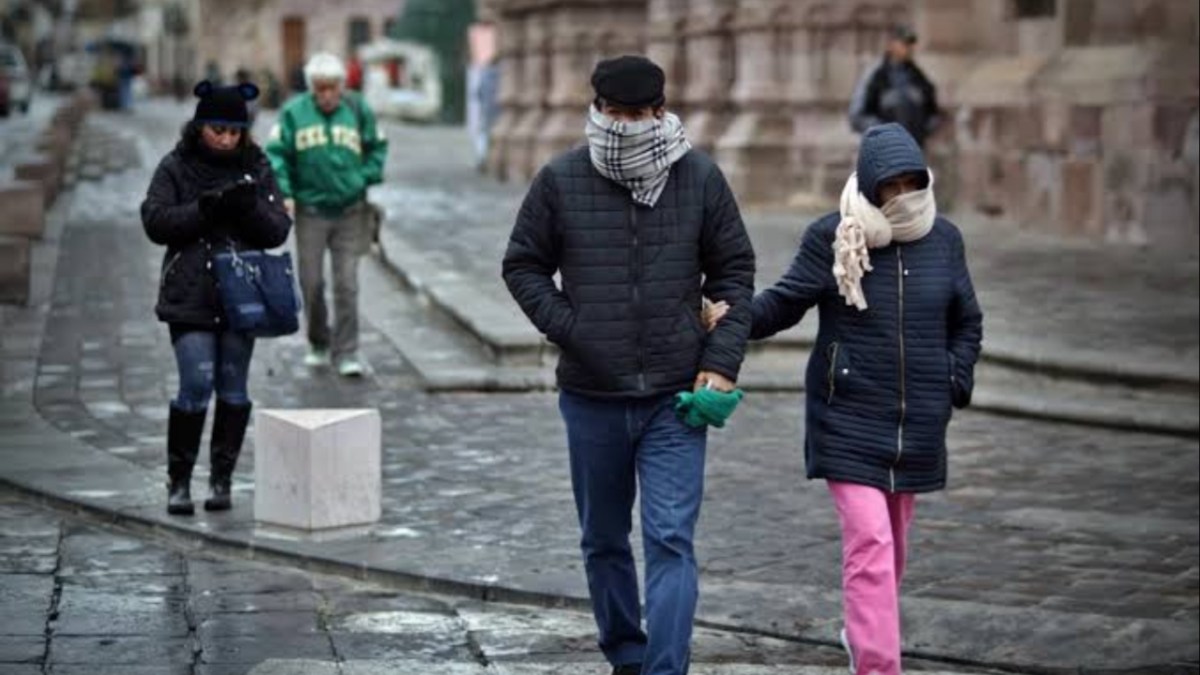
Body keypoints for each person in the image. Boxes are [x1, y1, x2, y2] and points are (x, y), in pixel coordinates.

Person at [502, 55, 756, 675]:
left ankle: (666, 669)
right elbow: (523, 265)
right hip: (592, 394)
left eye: (640, 115)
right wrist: (573, 328)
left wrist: (721, 361)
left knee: (671, 539)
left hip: (676, 397)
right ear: (597, 111)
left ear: (661, 112)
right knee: (605, 540)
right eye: (616, 115)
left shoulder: (699, 178)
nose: (628, 128)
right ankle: (625, 653)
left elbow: (735, 274)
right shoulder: (560, 179)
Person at [705, 123, 983, 675]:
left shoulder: (944, 238)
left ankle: (861, 628)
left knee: (892, 550)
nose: (903, 195)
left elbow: (967, 320)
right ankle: (878, 665)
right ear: (872, 184)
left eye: (912, 182)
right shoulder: (833, 236)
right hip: (848, 414)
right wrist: (733, 317)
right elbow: (786, 302)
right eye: (892, 185)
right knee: (872, 543)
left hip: (919, 421)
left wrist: (955, 377)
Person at [140, 80, 293, 516]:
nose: (226, 139)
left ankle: (222, 479)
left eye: (234, 132)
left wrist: (246, 208)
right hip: (190, 292)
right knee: (195, 383)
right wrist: (204, 209)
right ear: (201, 126)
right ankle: (179, 482)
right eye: (218, 130)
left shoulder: (256, 165)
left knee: (233, 388)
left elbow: (278, 228)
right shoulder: (177, 166)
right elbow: (155, 220)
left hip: (241, 294)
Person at [266, 52, 388, 377]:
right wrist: (286, 192)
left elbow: (378, 147)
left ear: (342, 86)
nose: (327, 95)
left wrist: (363, 177)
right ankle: (318, 341)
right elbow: (277, 155)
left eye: (332, 88)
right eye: (320, 89)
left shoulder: (358, 109)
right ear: (311, 88)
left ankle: (347, 350)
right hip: (311, 211)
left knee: (347, 283)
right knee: (312, 282)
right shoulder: (294, 113)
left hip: (351, 210)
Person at [848, 24, 942, 148]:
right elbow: (857, 116)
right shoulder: (875, 75)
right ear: (891, 45)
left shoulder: (918, 77)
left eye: (910, 44)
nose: (908, 48)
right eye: (903, 43)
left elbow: (933, 112)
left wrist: (923, 131)